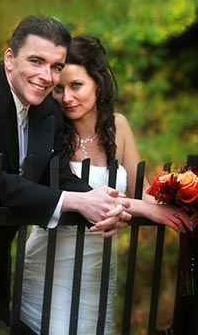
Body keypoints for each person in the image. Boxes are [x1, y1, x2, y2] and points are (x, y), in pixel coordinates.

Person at [0, 17, 132, 335]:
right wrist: (74, 200)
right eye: (36, 61)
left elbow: (59, 176)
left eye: (56, 66)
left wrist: (102, 201)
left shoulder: (45, 111)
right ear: (10, 58)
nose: (46, 76)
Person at [20, 36, 192, 334]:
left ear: (97, 83)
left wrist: (182, 202)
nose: (66, 98)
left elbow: (147, 195)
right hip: (52, 266)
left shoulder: (119, 126)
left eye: (77, 85)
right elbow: (59, 194)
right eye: (59, 88)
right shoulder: (46, 127)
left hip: (98, 268)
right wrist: (135, 207)